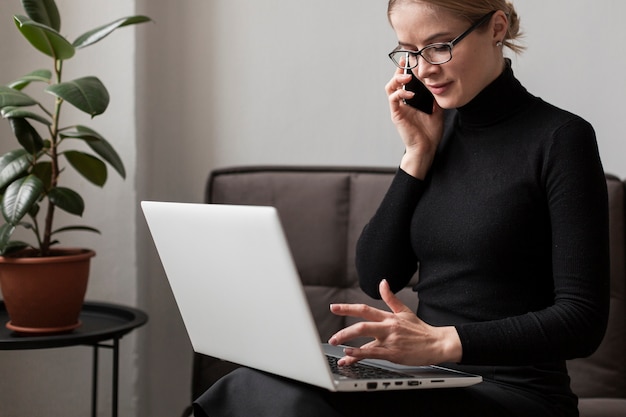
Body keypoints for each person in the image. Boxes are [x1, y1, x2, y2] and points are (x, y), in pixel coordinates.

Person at [194, 1, 609, 416]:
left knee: (291, 400)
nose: (423, 68)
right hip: (429, 380)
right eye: (409, 51)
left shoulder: (561, 139)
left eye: (439, 46)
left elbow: (582, 320)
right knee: (255, 382)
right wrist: (416, 154)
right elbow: (377, 275)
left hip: (517, 394)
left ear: (496, 28)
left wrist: (444, 341)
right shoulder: (435, 134)